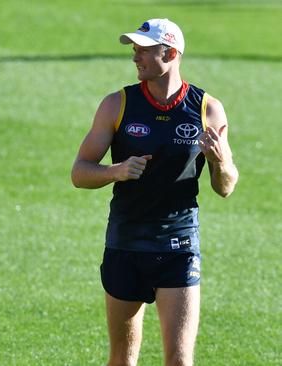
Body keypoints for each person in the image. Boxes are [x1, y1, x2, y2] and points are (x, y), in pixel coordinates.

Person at [71, 18, 238, 366]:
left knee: (178, 360)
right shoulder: (116, 105)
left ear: (171, 53)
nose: (135, 56)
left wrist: (220, 162)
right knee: (122, 359)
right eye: (135, 48)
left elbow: (225, 188)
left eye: (145, 49)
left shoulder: (207, 109)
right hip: (125, 243)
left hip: (178, 247)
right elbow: (79, 173)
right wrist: (116, 171)